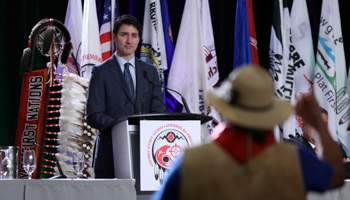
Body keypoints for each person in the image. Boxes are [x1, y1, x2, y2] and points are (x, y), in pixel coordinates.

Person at [152, 66, 345, 200]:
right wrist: (318, 124)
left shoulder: (191, 160)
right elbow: (336, 177)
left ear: (227, 108)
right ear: (270, 112)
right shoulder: (293, 160)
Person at [86, 14, 164, 178]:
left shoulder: (149, 71)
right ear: (114, 37)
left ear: (138, 39)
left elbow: (157, 110)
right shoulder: (101, 72)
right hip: (110, 154)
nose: (129, 40)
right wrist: (122, 126)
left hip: (145, 155)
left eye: (134, 36)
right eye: (124, 35)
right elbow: (93, 115)